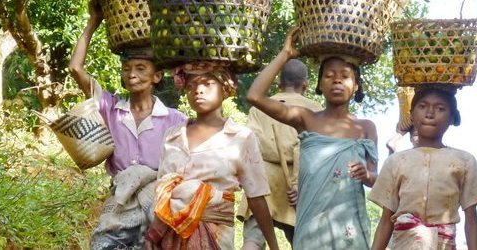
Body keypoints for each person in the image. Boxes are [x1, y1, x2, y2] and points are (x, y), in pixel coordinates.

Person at [246, 27, 379, 249]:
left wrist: (366, 174)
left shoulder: (365, 127)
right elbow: (254, 96)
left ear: (356, 85)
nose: (337, 81)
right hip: (311, 229)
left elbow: (376, 179)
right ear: (318, 85)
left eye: (345, 76)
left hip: (350, 231)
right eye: (329, 76)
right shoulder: (304, 119)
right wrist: (284, 55)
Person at [68, 2, 186, 249]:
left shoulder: (175, 119)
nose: (131, 74)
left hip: (159, 206)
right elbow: (75, 68)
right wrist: (93, 21)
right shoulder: (111, 109)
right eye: (127, 69)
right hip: (120, 203)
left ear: (157, 76)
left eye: (141, 68)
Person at [146, 67, 279, 250]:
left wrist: (274, 246)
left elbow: (256, 197)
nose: (198, 90)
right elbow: (163, 193)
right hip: (169, 237)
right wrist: (153, 236)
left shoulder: (241, 138)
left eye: (207, 84)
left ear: (225, 88)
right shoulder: (172, 136)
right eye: (191, 85)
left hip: (217, 237)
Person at [369, 87, 477, 250]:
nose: (429, 113)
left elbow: (471, 220)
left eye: (440, 108)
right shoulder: (396, 162)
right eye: (422, 106)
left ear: (452, 117)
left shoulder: (465, 161)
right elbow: (386, 220)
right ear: (411, 115)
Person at [238, 59, 323, 249]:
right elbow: (314, 151)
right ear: (305, 85)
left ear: (279, 83)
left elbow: (250, 144)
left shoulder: (259, 108)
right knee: (304, 244)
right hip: (300, 184)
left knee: (252, 240)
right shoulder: (316, 110)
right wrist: (300, 185)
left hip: (263, 184)